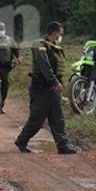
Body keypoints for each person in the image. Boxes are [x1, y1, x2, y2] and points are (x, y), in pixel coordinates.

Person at [15, 21, 78, 155]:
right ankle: (22, 141)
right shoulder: (40, 45)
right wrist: (55, 82)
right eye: (60, 33)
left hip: (53, 89)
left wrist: (57, 83)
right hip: (41, 88)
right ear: (54, 32)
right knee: (37, 119)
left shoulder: (55, 46)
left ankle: (62, 146)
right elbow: (45, 66)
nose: (60, 36)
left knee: (58, 118)